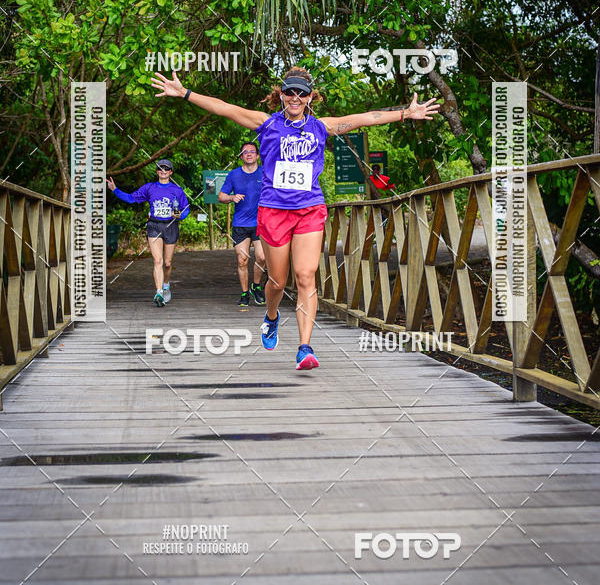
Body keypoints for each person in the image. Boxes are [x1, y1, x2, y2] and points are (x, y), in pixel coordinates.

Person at [150, 66, 440, 369]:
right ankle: (271, 317)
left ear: (310, 97)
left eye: (302, 93)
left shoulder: (321, 127)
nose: (296, 97)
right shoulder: (267, 124)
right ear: (281, 94)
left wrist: (406, 114)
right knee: (277, 280)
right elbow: (225, 108)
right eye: (290, 91)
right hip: (274, 210)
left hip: (309, 209)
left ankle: (305, 347)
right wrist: (184, 93)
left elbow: (365, 118)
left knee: (305, 276)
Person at [106, 158, 190, 306]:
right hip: (154, 226)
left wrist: (180, 215)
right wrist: (115, 190)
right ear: (157, 171)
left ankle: (166, 286)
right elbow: (131, 198)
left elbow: (186, 209)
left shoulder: (177, 190)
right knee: (158, 260)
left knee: (168, 263)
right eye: (160, 168)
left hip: (171, 227)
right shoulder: (149, 188)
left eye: (166, 169)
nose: (162, 171)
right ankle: (158, 293)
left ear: (170, 172)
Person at [217, 141, 267, 309]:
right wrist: (232, 197)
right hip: (241, 223)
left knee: (262, 257)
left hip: (260, 222)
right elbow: (221, 196)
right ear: (241, 156)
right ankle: (245, 293)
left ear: (257, 156)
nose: (249, 154)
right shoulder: (233, 175)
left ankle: (256, 285)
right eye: (245, 152)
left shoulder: (265, 172)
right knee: (242, 260)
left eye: (252, 151)